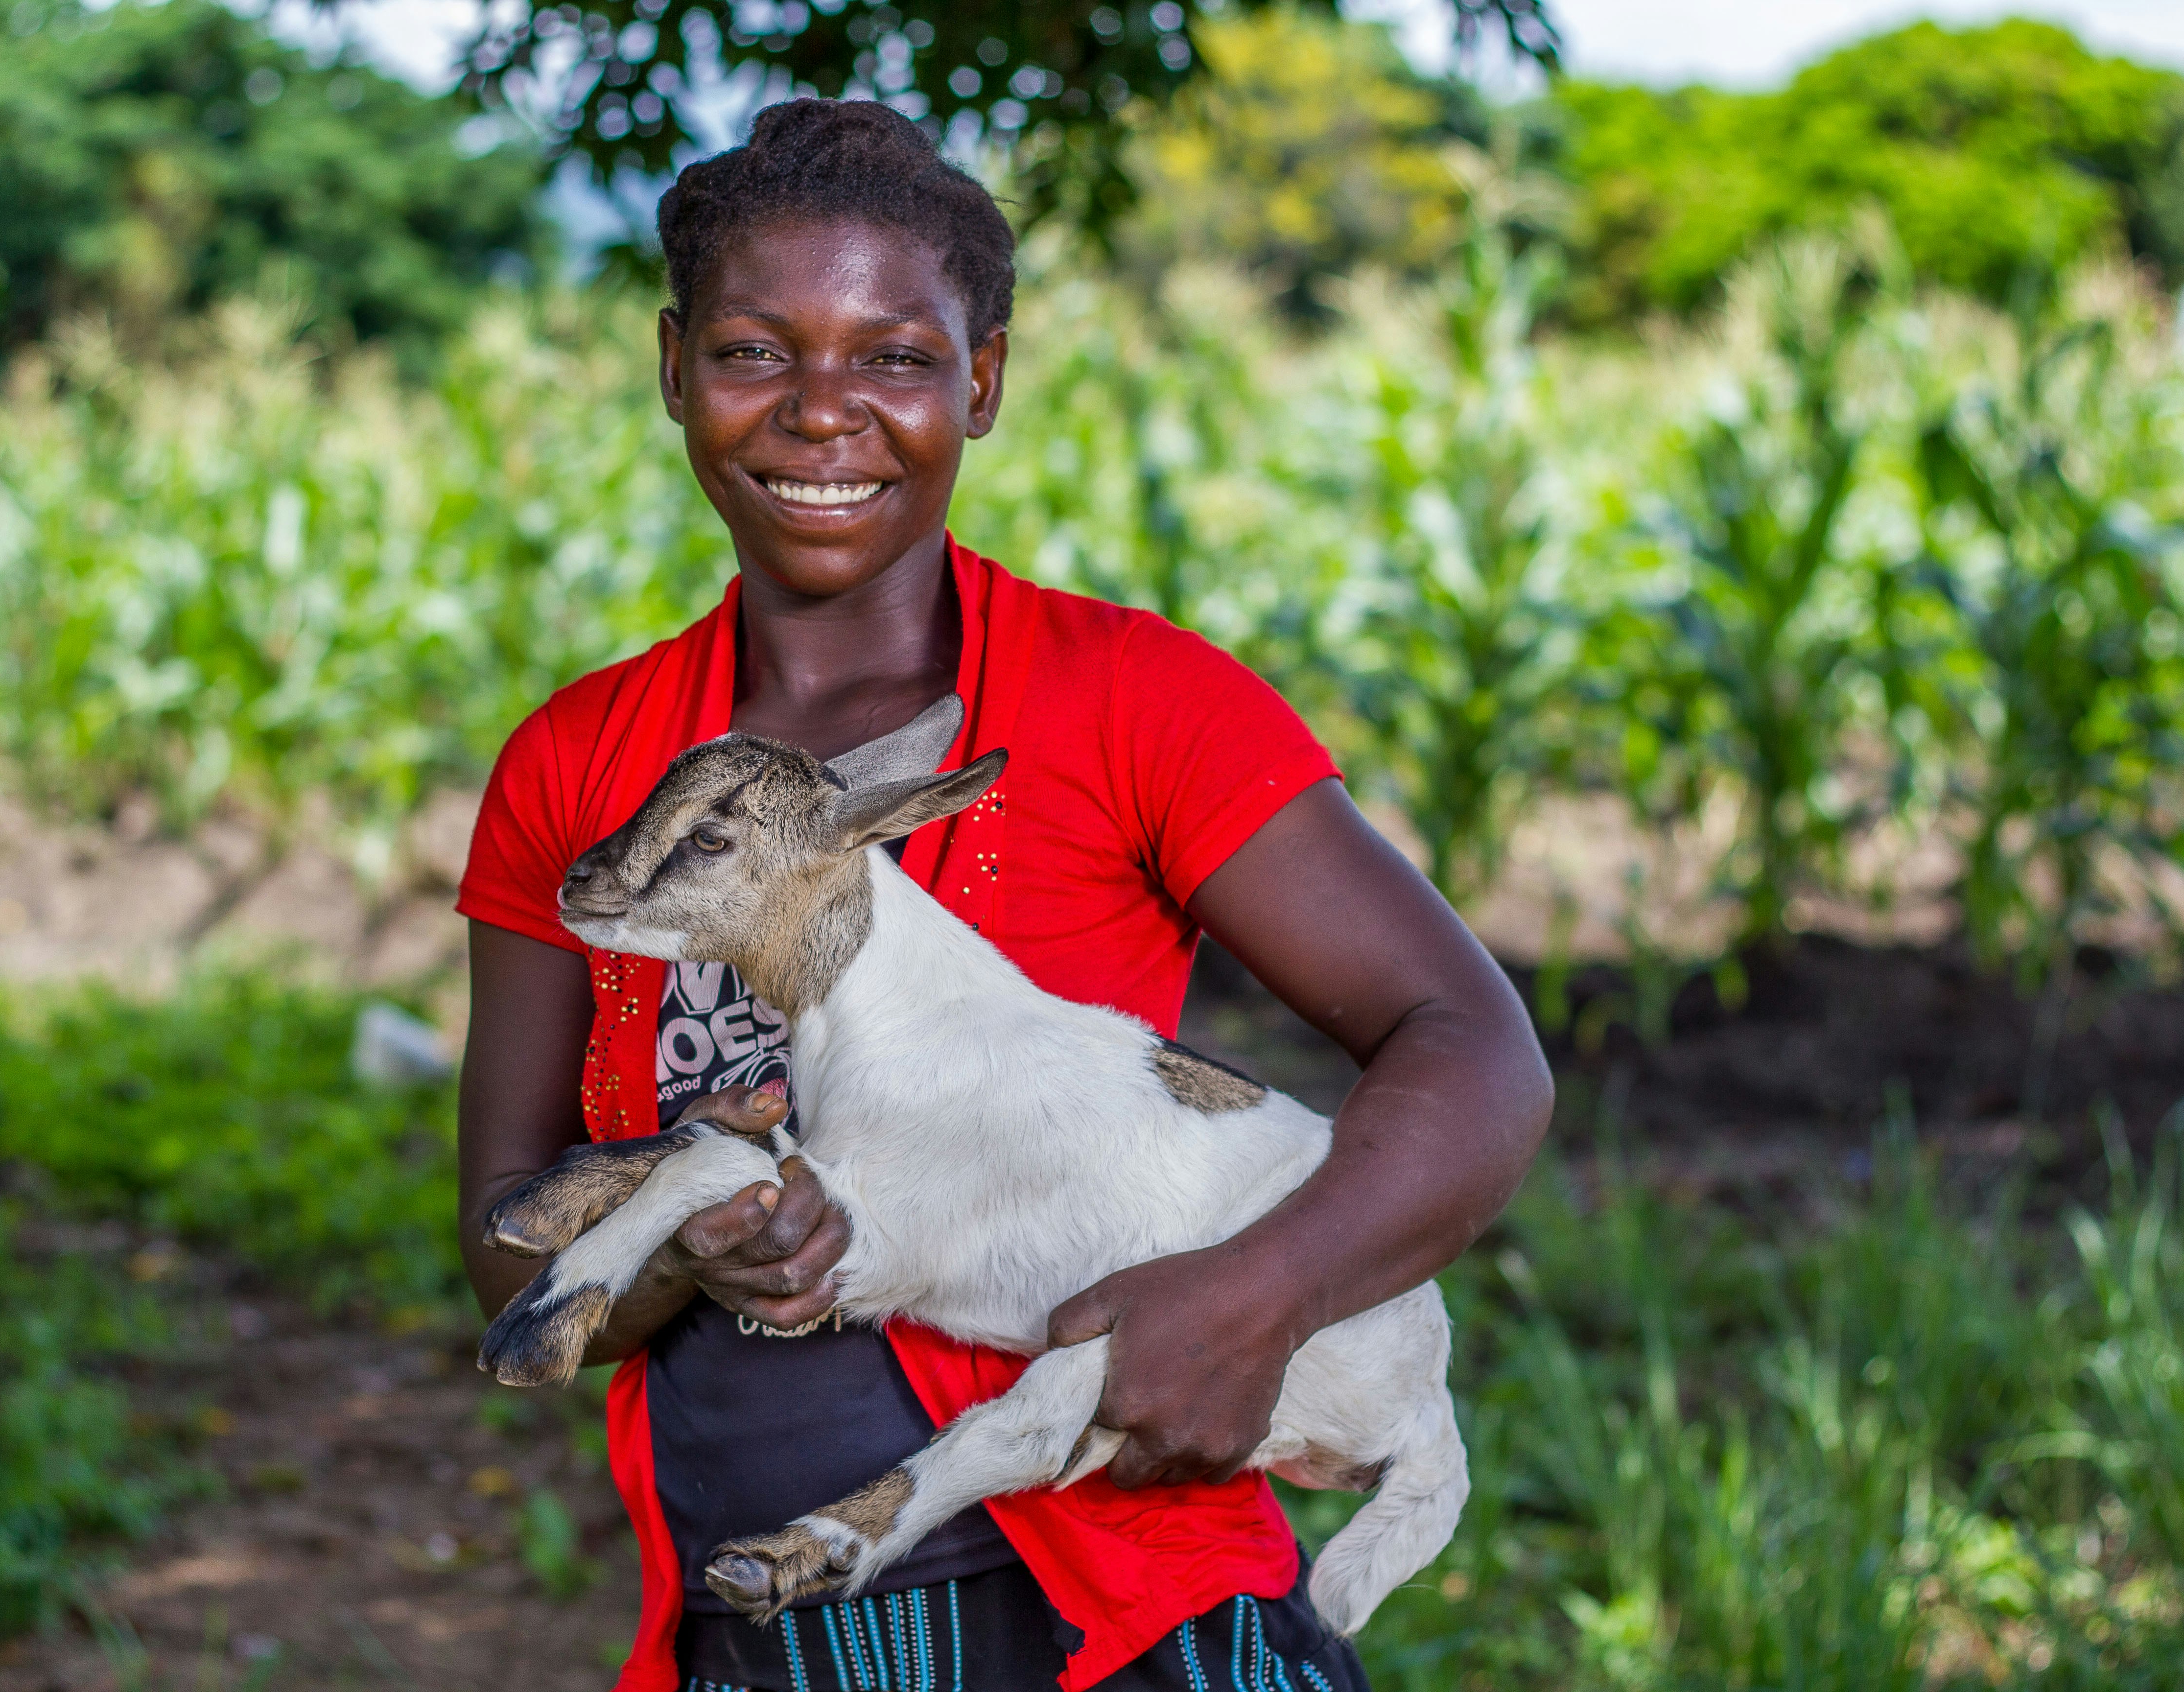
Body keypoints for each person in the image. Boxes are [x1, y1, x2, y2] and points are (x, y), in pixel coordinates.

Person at [455, 99, 1551, 1692]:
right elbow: (512, 1254)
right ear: (675, 367)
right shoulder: (582, 765)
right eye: (756, 352)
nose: (822, 411)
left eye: (896, 357)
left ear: (981, 382)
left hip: (1142, 1612)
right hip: (775, 1623)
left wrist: (1252, 1298)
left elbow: (1475, 1046)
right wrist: (690, 1245)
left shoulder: (1134, 703)